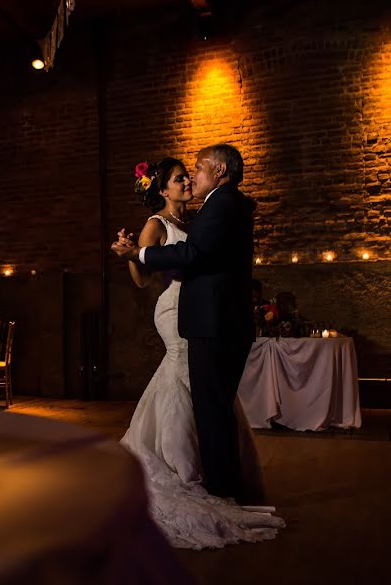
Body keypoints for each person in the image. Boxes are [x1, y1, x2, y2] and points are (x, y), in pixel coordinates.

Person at [110, 151, 284, 549]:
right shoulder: (156, 223)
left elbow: (195, 254)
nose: (188, 180)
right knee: (193, 386)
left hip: (204, 311)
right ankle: (191, 470)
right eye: (180, 178)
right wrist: (132, 254)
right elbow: (140, 278)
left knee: (202, 394)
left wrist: (140, 254)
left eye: (192, 173)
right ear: (162, 188)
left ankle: (211, 474)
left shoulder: (200, 216)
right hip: (177, 309)